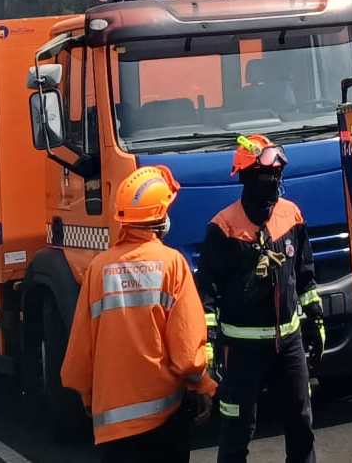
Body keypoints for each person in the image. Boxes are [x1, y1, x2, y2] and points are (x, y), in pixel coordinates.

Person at [62, 164, 215, 462]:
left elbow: (80, 350)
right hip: (164, 421)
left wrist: (87, 396)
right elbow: (186, 355)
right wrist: (203, 385)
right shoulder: (172, 264)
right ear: (160, 217)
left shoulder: (98, 268)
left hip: (113, 429)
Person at [196, 135, 322, 463]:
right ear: (247, 176)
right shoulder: (223, 228)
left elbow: (305, 274)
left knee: (301, 426)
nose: (276, 182)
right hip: (241, 351)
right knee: (237, 433)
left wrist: (314, 319)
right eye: (268, 175)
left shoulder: (291, 216)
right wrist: (209, 346)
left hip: (289, 345)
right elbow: (207, 293)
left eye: (278, 175)